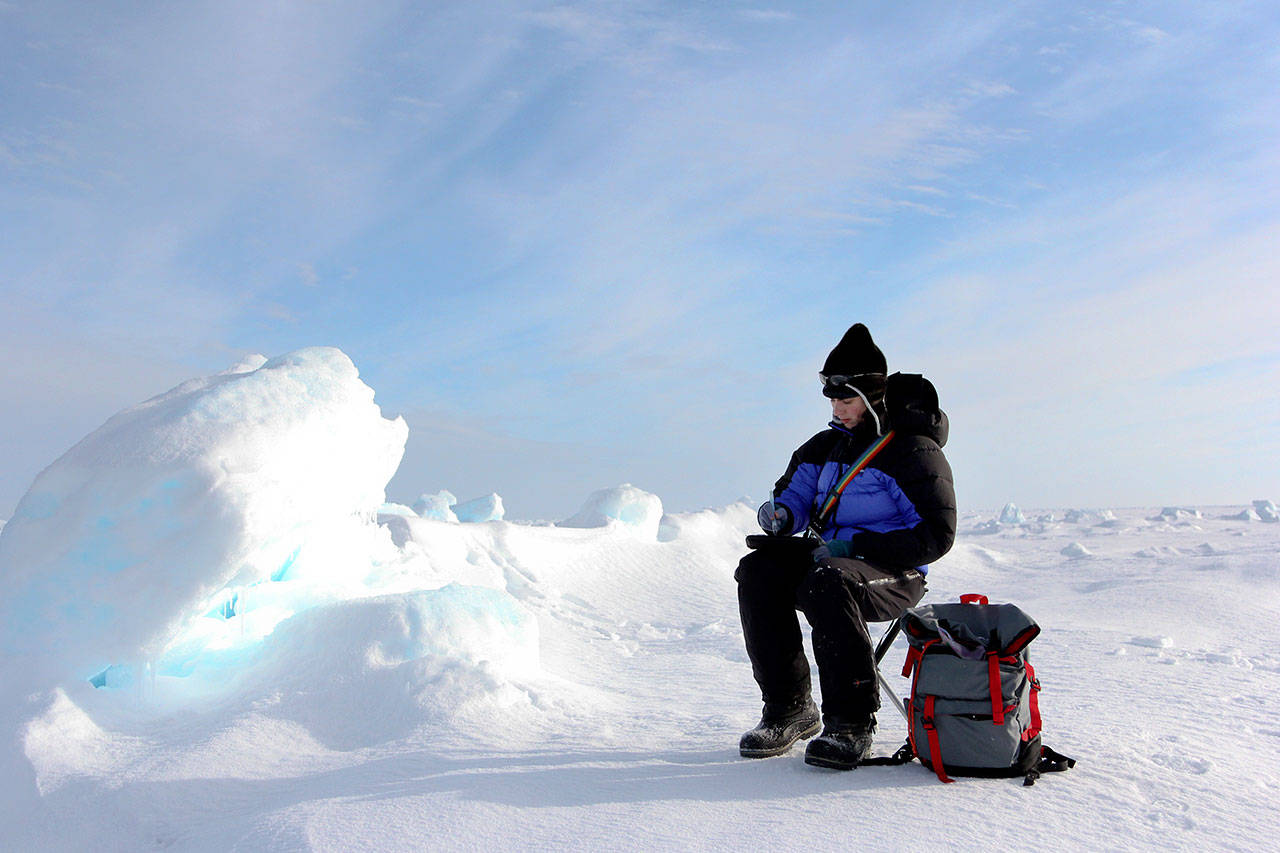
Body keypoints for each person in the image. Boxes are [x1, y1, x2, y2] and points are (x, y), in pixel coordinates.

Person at [736, 323, 956, 769]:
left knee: (828, 580)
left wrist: (853, 545)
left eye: (846, 399)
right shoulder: (823, 448)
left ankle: (851, 723)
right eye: (832, 399)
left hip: (895, 573)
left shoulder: (912, 452)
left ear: (873, 396)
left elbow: (936, 536)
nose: (837, 408)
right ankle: (789, 709)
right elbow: (794, 495)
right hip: (829, 563)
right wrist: (781, 516)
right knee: (758, 571)